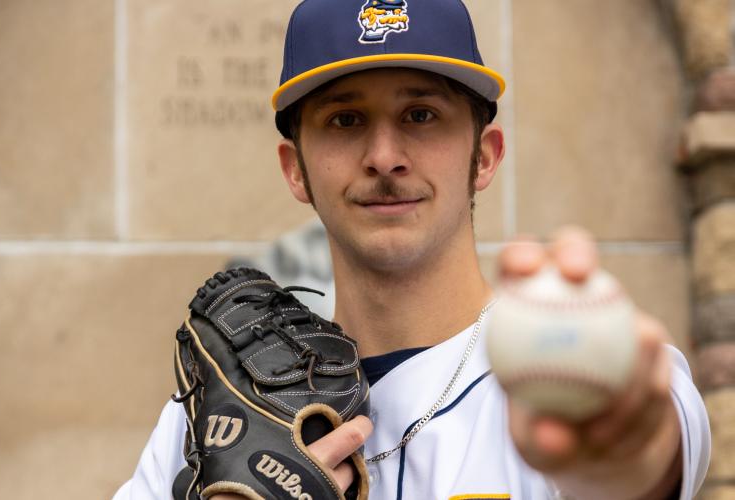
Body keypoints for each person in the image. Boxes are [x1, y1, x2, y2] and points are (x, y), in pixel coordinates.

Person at [115, 0, 711, 498]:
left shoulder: (576, 374)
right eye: (346, 120)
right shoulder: (207, 418)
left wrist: (626, 442)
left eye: (421, 114)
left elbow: (641, 461)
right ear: (295, 169)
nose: (384, 155)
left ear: (484, 155)